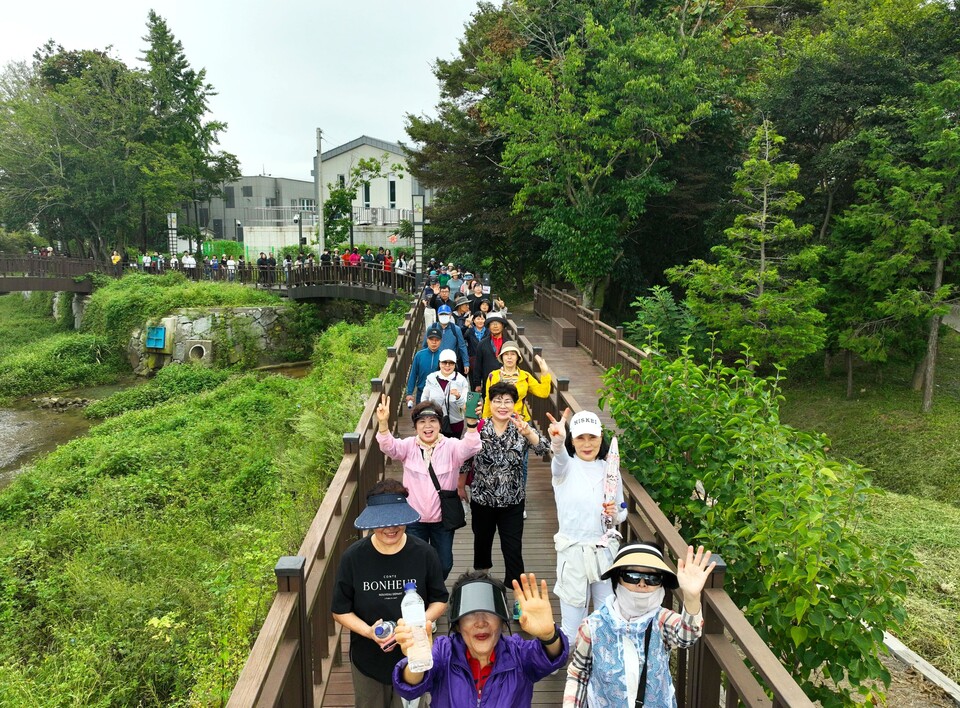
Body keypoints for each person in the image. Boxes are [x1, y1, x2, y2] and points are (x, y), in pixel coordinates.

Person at [332, 478, 449, 708]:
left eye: (397, 520)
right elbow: (340, 610)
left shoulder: (424, 554)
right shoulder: (353, 558)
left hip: (414, 656)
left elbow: (439, 600)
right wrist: (369, 631)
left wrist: (415, 625)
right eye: (383, 522)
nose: (390, 528)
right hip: (368, 658)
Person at [564, 542, 715, 708]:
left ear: (661, 584)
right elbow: (579, 672)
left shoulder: (661, 620)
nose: (642, 584)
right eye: (632, 576)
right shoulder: (593, 625)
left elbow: (687, 636)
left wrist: (692, 598)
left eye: (652, 578)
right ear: (617, 579)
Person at [392, 571, 568, 707]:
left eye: (490, 612)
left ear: (501, 619)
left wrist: (548, 636)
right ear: (458, 624)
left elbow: (549, 658)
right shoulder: (444, 652)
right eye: (469, 615)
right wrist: (418, 658)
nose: (481, 622)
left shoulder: (518, 653)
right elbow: (410, 688)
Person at [461, 382, 549, 619]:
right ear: (490, 403)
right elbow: (464, 458)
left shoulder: (520, 428)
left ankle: (519, 600)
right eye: (497, 400)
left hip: (513, 502)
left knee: (513, 550)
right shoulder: (479, 427)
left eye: (507, 401)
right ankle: (484, 592)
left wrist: (528, 431)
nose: (502, 405)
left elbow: (544, 449)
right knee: (482, 546)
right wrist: (460, 486)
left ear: (515, 403)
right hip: (482, 500)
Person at [376, 394, 482, 580]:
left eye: (433, 421)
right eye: (422, 422)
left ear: (440, 424)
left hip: (443, 519)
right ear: (415, 426)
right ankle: (421, 594)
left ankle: (435, 589)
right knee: (414, 561)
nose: (427, 426)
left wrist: (472, 425)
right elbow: (389, 447)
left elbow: (471, 447)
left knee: (444, 563)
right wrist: (383, 424)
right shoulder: (408, 446)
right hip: (414, 518)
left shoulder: (451, 446)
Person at [546, 408, 627, 642]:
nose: (587, 444)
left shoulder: (610, 470)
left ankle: (600, 672)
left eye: (592, 437)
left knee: (605, 620)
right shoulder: (565, 467)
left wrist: (617, 513)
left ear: (601, 438)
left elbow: (622, 509)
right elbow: (558, 460)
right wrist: (558, 443)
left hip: (603, 553)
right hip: (572, 554)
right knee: (571, 627)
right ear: (573, 440)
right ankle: (558, 665)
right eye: (580, 437)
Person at [481, 343, 552, 421]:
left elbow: (543, 393)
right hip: (498, 420)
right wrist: (484, 420)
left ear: (518, 357)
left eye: (513, 354)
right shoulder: (493, 376)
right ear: (501, 357)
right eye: (506, 354)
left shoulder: (525, 376)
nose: (509, 357)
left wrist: (544, 372)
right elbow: (488, 400)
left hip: (520, 420)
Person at [422, 349, 471, 438]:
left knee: (453, 450)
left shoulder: (461, 380)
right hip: (435, 423)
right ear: (439, 363)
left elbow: (465, 405)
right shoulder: (431, 378)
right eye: (444, 362)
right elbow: (424, 399)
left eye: (451, 363)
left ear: (455, 364)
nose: (447, 366)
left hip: (455, 424)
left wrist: (458, 397)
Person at [424, 304, 469, 377]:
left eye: (446, 314)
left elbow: (462, 346)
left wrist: (466, 363)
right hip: (435, 362)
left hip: (450, 363)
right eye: (442, 314)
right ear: (438, 315)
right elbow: (425, 346)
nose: (444, 316)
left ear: (450, 315)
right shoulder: (432, 328)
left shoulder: (456, 329)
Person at [406, 324, 444, 405]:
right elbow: (413, 374)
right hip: (421, 391)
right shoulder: (419, 355)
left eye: (437, 340)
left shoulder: (443, 356)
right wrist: (410, 393)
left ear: (440, 341)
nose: (434, 342)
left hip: (439, 393)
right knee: (420, 416)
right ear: (427, 340)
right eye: (431, 339)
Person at [472, 315, 508, 392]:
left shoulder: (508, 344)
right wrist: (477, 383)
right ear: (488, 327)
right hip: (488, 381)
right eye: (492, 323)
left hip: (506, 381)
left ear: (502, 326)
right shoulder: (482, 344)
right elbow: (478, 364)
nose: (495, 326)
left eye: (498, 323)